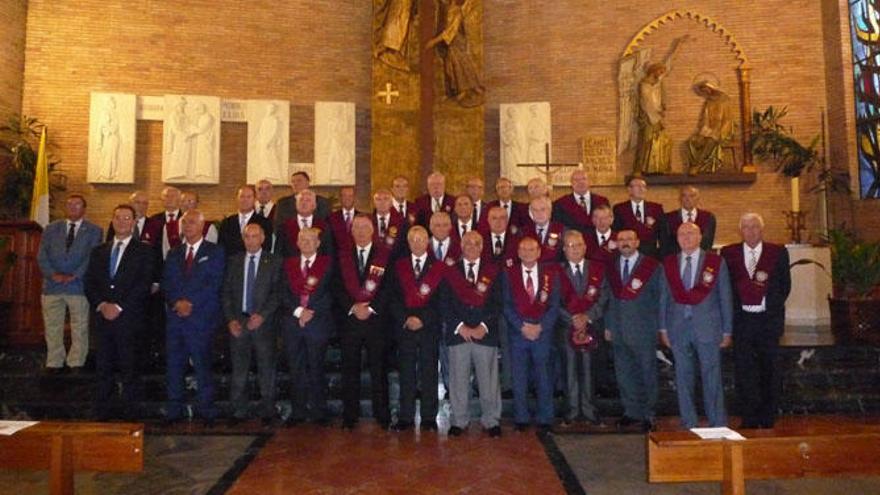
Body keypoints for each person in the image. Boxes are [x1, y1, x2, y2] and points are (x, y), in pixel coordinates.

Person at [659, 222, 733, 429]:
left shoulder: (715, 262)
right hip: (677, 327)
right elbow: (664, 298)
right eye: (682, 234)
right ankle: (688, 421)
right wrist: (663, 328)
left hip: (708, 327)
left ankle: (717, 421)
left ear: (700, 237)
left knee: (712, 375)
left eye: (691, 233)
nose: (687, 237)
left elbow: (725, 297)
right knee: (683, 377)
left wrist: (727, 330)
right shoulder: (669, 263)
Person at [721, 213, 791, 429]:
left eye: (754, 227)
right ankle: (749, 416)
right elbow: (726, 287)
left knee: (769, 369)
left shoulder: (777, 252)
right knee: (745, 370)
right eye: (746, 227)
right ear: (740, 231)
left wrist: (769, 307)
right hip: (742, 322)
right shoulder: (728, 253)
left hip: (767, 321)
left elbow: (784, 286)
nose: (750, 231)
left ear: (762, 230)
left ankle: (767, 415)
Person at [84, 204, 153, 419]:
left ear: (133, 223)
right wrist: (102, 305)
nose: (122, 221)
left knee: (129, 367)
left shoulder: (144, 251)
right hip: (103, 319)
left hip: (129, 319)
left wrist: (119, 306)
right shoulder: (98, 251)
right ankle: (102, 411)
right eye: (118, 218)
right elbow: (90, 283)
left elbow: (143, 284)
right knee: (103, 367)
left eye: (127, 218)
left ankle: (130, 412)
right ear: (112, 221)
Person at [161, 210, 225, 426]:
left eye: (192, 222)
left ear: (202, 226)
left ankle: (206, 409)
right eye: (185, 223)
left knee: (203, 365)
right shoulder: (174, 253)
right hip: (176, 319)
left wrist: (192, 303)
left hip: (202, 319)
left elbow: (214, 284)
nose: (187, 226)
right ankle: (174, 409)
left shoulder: (215, 252)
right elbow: (167, 283)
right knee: (174, 366)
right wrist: (175, 303)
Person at [334, 215, 393, 430]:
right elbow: (336, 286)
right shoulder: (342, 256)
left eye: (364, 227)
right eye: (356, 227)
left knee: (379, 369)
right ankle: (350, 416)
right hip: (350, 321)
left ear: (372, 231)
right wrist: (353, 307)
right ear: (351, 231)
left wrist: (370, 307)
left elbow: (389, 286)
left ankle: (382, 415)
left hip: (376, 321)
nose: (360, 231)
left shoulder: (384, 256)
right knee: (350, 370)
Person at [222, 223, 283, 427]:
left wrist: (263, 316)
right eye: (247, 236)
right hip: (238, 323)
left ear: (263, 238)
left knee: (266, 368)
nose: (250, 240)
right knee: (239, 369)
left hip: (263, 324)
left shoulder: (274, 261)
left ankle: (268, 409)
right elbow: (226, 293)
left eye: (255, 236)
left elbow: (277, 293)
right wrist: (231, 319)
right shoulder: (234, 261)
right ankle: (238, 410)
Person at [445, 231, 503, 437]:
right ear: (461, 246)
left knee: (488, 381)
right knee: (458, 380)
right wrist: (461, 326)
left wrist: (482, 327)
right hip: (458, 333)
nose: (472, 246)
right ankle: (459, 421)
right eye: (468, 243)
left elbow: (498, 303)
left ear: (482, 246)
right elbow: (445, 303)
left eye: (476, 243)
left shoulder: (493, 272)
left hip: (484, 334)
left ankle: (491, 420)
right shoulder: (450, 271)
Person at [37, 194, 103, 373]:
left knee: (80, 326)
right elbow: (42, 255)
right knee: (52, 326)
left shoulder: (94, 230)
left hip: (78, 286)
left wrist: (76, 275)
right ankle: (54, 360)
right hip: (52, 286)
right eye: (69, 204)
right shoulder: (51, 228)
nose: (73, 207)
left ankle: (76, 361)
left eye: (77, 204)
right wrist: (53, 274)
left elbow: (93, 257)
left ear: (84, 209)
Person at [604, 229, 662, 432]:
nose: (625, 243)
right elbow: (610, 299)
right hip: (618, 327)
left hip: (644, 328)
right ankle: (631, 411)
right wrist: (609, 325)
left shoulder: (651, 267)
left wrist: (659, 327)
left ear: (637, 242)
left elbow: (660, 299)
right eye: (621, 240)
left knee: (646, 371)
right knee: (624, 372)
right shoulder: (611, 267)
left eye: (629, 239)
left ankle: (649, 413)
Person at [389, 226, 446, 431]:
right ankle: (406, 416)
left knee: (429, 372)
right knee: (406, 373)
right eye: (413, 239)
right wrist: (406, 318)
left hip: (428, 328)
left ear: (427, 242)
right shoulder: (398, 266)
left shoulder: (438, 267)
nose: (417, 242)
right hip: (405, 328)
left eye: (421, 239)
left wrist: (423, 319)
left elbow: (441, 300)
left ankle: (429, 418)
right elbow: (393, 298)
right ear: (408, 242)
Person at [502, 237, 560, 432]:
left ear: (539, 252)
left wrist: (541, 326)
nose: (527, 253)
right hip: (518, 333)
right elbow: (506, 305)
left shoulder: (550, 274)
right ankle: (521, 418)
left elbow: (554, 305)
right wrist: (522, 327)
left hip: (542, 333)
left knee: (544, 376)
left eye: (532, 249)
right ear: (518, 253)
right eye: (523, 249)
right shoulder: (509, 274)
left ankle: (545, 417)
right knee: (519, 377)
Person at [282, 228, 335, 426]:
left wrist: (310, 311)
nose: (306, 242)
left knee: (316, 367)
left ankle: (319, 412)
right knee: (295, 368)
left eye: (310, 239)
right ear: (296, 243)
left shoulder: (327, 264)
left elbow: (331, 292)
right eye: (302, 239)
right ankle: (298, 412)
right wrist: (298, 311)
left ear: (318, 243)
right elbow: (282, 292)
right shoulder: (288, 265)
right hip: (292, 323)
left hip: (317, 322)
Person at [557, 230, 609, 426]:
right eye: (570, 246)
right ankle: (571, 412)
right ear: (564, 249)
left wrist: (587, 317)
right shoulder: (557, 271)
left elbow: (604, 296)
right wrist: (572, 319)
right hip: (566, 328)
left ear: (585, 247)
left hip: (591, 327)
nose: (575, 249)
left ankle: (589, 411)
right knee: (569, 369)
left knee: (589, 369)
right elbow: (555, 301)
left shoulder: (597, 269)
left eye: (578, 245)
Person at [424, 0, 485, 107]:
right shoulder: (446, 9)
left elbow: (450, 31)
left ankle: (466, 90)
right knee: (450, 67)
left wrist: (433, 42)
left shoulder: (457, 12)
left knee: (460, 65)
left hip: (457, 43)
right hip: (451, 44)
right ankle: (457, 91)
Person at [686, 80, 736, 174]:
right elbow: (705, 119)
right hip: (710, 130)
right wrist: (703, 132)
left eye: (706, 90)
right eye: (703, 91)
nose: (705, 93)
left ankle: (697, 165)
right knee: (691, 141)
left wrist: (720, 132)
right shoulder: (708, 102)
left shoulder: (724, 99)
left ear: (711, 87)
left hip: (722, 129)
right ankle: (697, 165)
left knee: (710, 141)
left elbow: (728, 119)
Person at [612, 177, 667, 257]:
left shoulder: (656, 208)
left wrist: (662, 254)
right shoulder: (619, 209)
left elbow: (663, 234)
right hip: (628, 253)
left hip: (651, 255)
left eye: (644, 187)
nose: (641, 189)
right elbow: (617, 232)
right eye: (638, 186)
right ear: (629, 190)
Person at [217, 185, 273, 256]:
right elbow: (221, 247)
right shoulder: (227, 222)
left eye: (249, 197)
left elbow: (266, 247)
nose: (245, 200)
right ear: (237, 199)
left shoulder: (264, 223)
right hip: (231, 264)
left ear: (255, 199)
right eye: (242, 196)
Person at [276, 189, 332, 258]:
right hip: (291, 267)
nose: (304, 203)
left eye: (308, 200)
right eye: (301, 200)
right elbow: (278, 253)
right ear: (296, 204)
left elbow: (329, 252)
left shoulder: (324, 226)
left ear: (314, 205)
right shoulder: (284, 227)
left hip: (318, 267)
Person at [665, 185, 716, 253]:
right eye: (684, 195)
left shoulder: (709, 217)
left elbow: (708, 243)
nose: (688, 199)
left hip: (701, 260)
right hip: (676, 260)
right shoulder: (668, 218)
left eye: (692, 196)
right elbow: (665, 245)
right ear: (679, 198)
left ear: (698, 198)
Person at [521, 196, 564, 263]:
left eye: (543, 209)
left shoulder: (562, 230)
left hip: (555, 270)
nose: (539, 213)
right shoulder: (523, 232)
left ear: (550, 211)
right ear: (530, 213)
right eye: (535, 210)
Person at [372, 188, 407, 259]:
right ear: (374, 203)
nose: (382, 202)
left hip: (395, 265)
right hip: (372, 265)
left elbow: (404, 248)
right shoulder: (367, 222)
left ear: (391, 203)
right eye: (378, 199)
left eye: (386, 199)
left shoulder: (402, 223)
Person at [327, 185, 360, 252]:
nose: (347, 198)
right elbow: (328, 242)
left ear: (355, 198)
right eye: (344, 195)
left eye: (350, 196)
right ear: (340, 198)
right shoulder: (331, 218)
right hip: (337, 258)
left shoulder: (362, 218)